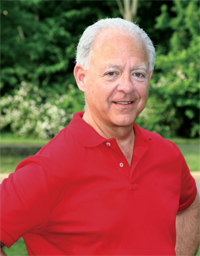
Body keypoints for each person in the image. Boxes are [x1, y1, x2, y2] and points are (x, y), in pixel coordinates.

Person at [0, 17, 199, 256]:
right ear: (81, 77)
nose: (127, 86)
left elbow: (190, 204)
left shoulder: (167, 154)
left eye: (138, 74)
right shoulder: (48, 169)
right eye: (112, 73)